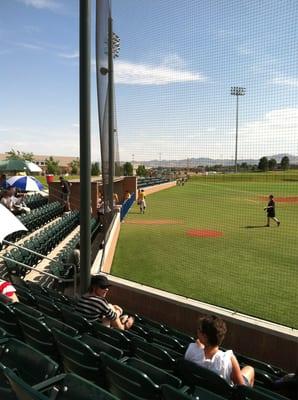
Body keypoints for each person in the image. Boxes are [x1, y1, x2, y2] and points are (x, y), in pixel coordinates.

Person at [185, 315, 255, 387]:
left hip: (197, 388)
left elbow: (201, 352)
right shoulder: (229, 359)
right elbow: (241, 387)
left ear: (204, 337)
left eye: (199, 329)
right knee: (250, 369)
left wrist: (200, 344)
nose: (197, 331)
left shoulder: (192, 349)